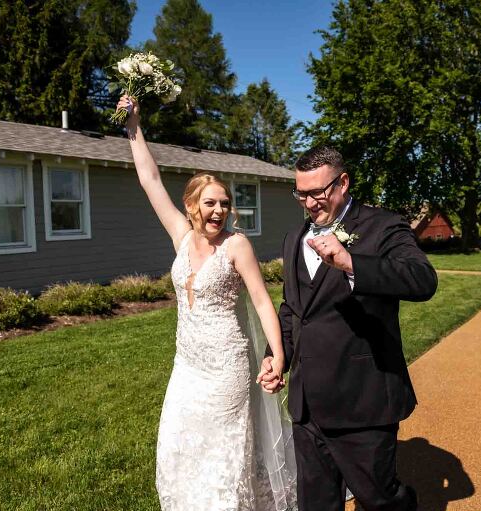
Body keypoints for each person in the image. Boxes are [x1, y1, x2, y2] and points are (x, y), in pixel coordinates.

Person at [117, 96, 297, 511]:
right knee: (179, 446)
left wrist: (278, 355)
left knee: (223, 458)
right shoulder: (181, 237)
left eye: (224, 203)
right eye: (210, 202)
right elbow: (150, 180)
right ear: (192, 205)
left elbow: (263, 303)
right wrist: (134, 126)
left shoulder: (236, 245)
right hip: (187, 366)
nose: (219, 210)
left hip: (227, 369)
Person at [258, 146, 438, 511]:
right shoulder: (294, 238)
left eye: (317, 192)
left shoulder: (383, 225)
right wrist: (277, 357)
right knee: (316, 503)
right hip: (307, 404)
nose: (308, 203)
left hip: (363, 399)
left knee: (380, 499)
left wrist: (352, 263)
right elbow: (294, 309)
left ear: (342, 182)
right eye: (301, 193)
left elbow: (423, 279)